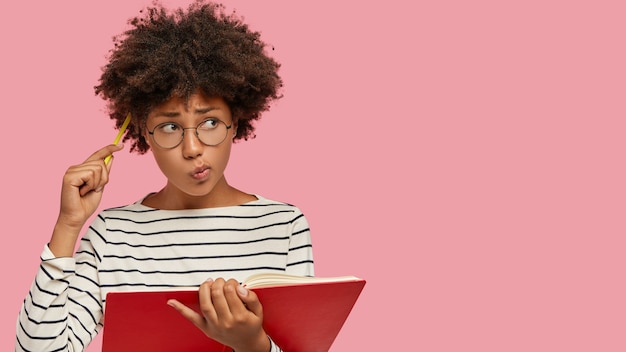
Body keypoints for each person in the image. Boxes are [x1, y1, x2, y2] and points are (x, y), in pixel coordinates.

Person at [15, 1, 314, 351]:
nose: (192, 148)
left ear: (237, 121)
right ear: (144, 133)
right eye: (170, 126)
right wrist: (67, 226)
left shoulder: (283, 226)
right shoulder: (113, 234)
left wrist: (253, 344)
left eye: (211, 123)